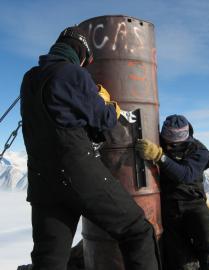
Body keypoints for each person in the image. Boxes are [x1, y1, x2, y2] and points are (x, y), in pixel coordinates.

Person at [20, 25, 160, 270]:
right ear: (81, 54)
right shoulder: (72, 74)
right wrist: (108, 105)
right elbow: (104, 121)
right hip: (78, 174)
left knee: (49, 259)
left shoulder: (29, 78)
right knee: (137, 231)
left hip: (42, 183)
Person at [136, 115, 209, 270]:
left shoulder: (199, 151)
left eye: (174, 143)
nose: (169, 146)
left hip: (193, 203)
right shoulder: (160, 142)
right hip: (169, 205)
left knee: (207, 244)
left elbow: (185, 175)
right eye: (167, 141)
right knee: (179, 257)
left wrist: (159, 156)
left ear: (184, 137)